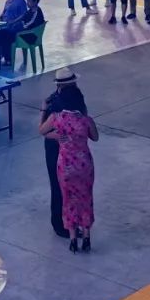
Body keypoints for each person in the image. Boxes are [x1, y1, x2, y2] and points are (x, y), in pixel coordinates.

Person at [39, 90, 98, 253]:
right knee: (86, 198)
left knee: (67, 200)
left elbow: (42, 131)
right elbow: (95, 137)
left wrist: (55, 133)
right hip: (84, 165)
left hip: (65, 166)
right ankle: (86, 236)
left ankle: (72, 239)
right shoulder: (86, 120)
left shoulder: (57, 118)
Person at [40, 68, 88, 238]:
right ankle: (66, 223)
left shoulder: (52, 101)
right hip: (72, 150)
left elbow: (44, 129)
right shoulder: (77, 99)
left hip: (57, 148)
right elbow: (84, 120)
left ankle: (63, 223)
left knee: (58, 186)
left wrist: (43, 112)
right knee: (70, 188)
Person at [14, 0, 46, 71]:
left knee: (9, 36)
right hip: (27, 32)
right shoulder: (31, 10)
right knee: (5, 33)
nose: (27, 3)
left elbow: (29, 24)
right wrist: (13, 22)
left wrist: (19, 27)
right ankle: (7, 57)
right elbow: (23, 17)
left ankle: (8, 59)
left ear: (35, 2)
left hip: (32, 37)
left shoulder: (37, 12)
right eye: (27, 1)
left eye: (29, 1)